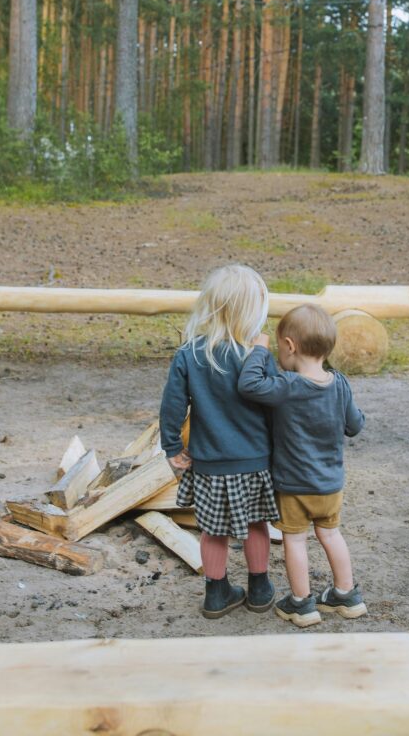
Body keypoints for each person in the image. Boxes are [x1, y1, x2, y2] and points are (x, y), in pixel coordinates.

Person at [159, 264, 278, 620]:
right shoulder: (257, 357)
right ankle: (259, 588)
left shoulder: (190, 355)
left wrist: (171, 448)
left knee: (212, 530)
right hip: (255, 462)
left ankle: (216, 594)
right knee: (257, 525)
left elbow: (172, 408)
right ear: (252, 310)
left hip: (210, 465)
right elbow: (275, 409)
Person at [238, 302, 366, 628]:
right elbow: (354, 426)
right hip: (331, 485)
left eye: (280, 346)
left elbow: (249, 385)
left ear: (290, 346)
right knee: (331, 534)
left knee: (295, 541)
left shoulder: (288, 386)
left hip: (294, 486)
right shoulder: (339, 383)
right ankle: (346, 594)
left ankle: (301, 603)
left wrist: (258, 349)